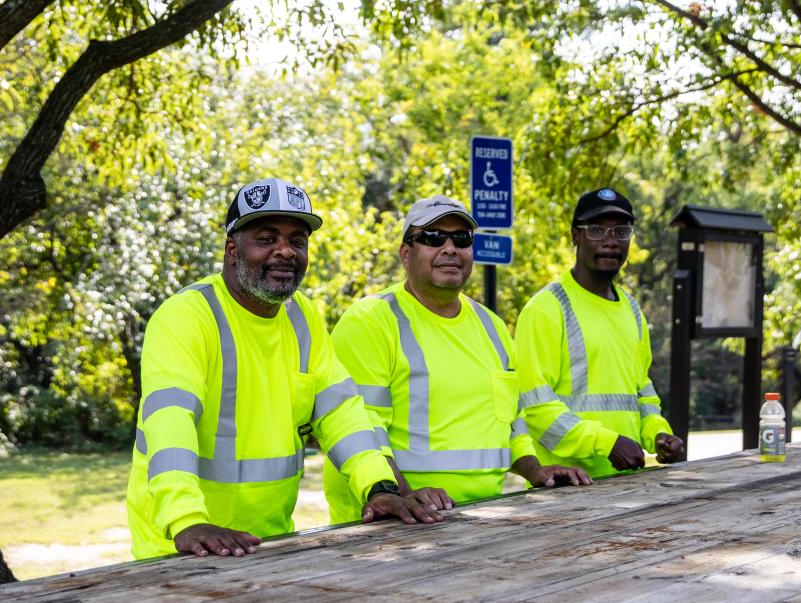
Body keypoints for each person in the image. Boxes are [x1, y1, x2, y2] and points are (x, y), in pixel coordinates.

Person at [127, 177, 442, 560]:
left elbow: (341, 413)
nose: (285, 252)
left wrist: (380, 486)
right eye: (266, 238)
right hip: (183, 549)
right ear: (231, 250)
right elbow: (170, 423)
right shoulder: (185, 317)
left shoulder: (303, 317)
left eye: (297, 241)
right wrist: (186, 519)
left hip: (270, 544)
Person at [322, 195, 590, 524]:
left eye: (461, 239)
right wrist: (400, 494)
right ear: (406, 254)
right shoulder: (370, 321)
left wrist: (535, 469)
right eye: (434, 238)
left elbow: (510, 420)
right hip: (392, 526)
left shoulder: (492, 326)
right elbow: (360, 427)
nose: (450, 248)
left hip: (480, 520)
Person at [515, 186, 685, 479]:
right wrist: (606, 443)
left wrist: (658, 434)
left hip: (629, 483)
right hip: (569, 488)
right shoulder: (545, 309)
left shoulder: (632, 310)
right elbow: (535, 409)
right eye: (596, 230)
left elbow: (642, 394)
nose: (610, 242)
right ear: (575, 236)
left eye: (621, 231)